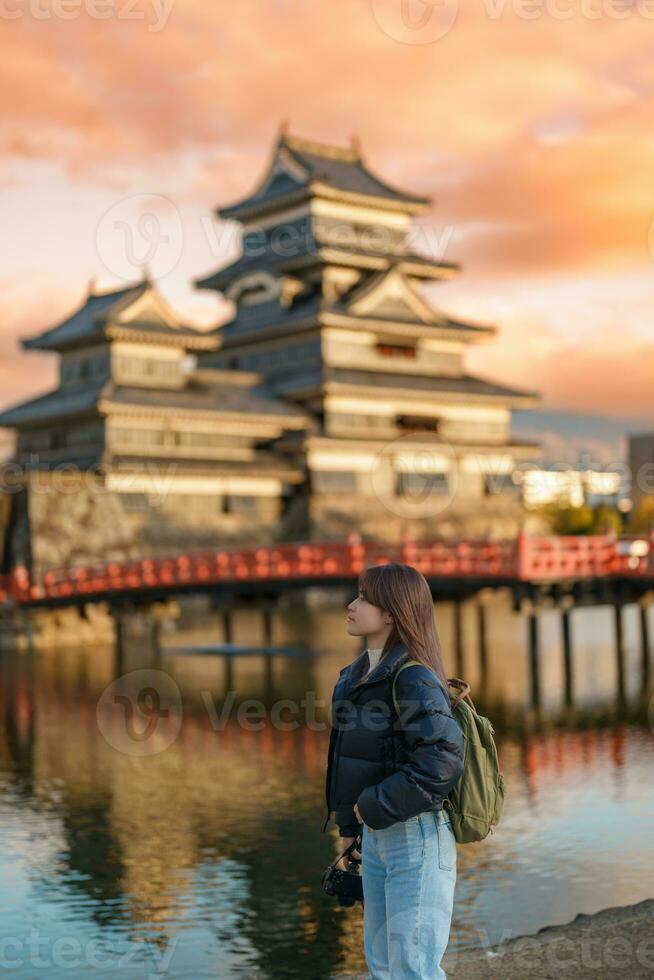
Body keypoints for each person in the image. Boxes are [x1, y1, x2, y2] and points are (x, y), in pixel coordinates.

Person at [324, 562, 464, 979]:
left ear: (391, 612)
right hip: (377, 836)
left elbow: (442, 759)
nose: (351, 605)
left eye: (363, 598)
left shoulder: (413, 676)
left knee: (412, 968)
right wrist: (350, 824)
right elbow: (351, 761)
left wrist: (375, 804)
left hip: (417, 836)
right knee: (383, 966)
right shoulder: (355, 676)